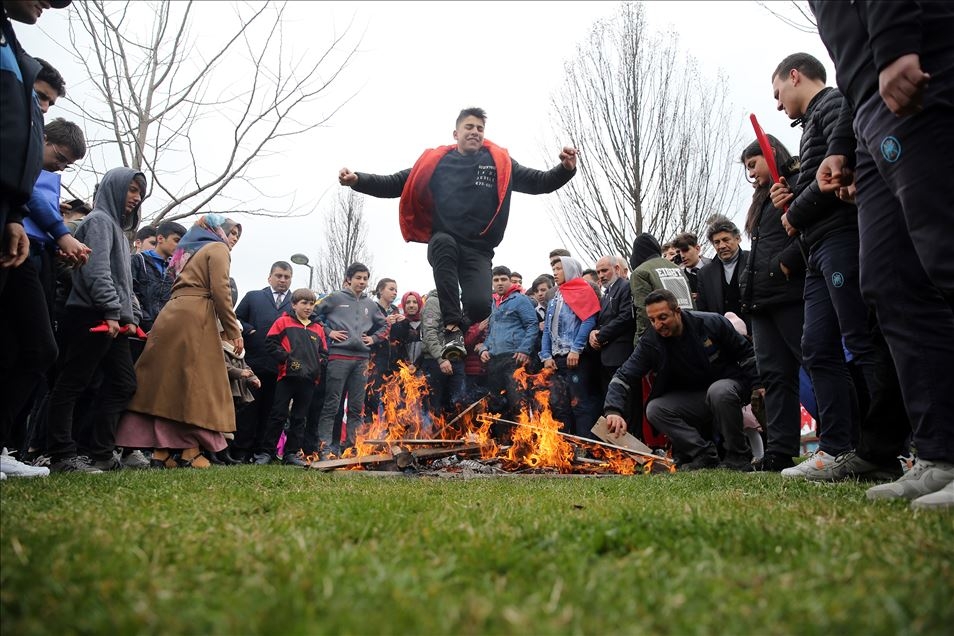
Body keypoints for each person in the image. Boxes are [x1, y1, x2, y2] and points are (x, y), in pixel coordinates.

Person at [810, 1, 954, 508]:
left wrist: (894, 42)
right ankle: (940, 454)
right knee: (890, 280)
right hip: (868, 106)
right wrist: (845, 144)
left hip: (913, 65)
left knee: (945, 255)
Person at [769, 51, 910, 484]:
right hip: (816, 251)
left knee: (861, 341)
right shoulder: (811, 125)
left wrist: (795, 213)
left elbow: (835, 174)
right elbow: (816, 179)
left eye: (778, 93)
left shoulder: (832, 105)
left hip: (840, 240)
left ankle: (891, 448)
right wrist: (791, 198)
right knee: (817, 347)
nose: (777, 105)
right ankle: (836, 448)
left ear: (795, 77)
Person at [338, 106, 577, 361]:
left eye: (480, 129)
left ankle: (457, 328)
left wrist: (565, 169)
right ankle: (452, 328)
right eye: (469, 127)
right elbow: (396, 182)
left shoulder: (498, 163)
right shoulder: (437, 162)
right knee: (442, 242)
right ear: (456, 133)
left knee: (480, 305)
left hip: (479, 249)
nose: (475, 132)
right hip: (445, 241)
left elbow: (539, 182)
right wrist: (358, 180)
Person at [0, 0, 73, 479]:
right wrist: (62, 232)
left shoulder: (12, 45)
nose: (41, 108)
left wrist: (10, 213)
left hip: (14, 230)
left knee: (35, 348)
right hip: (20, 234)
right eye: (39, 98)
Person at [115, 214, 244, 469]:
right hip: (196, 317)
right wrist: (232, 329)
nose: (233, 240)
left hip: (171, 314)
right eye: (231, 233)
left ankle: (162, 452)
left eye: (237, 237)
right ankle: (190, 451)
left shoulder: (187, 252)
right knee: (198, 386)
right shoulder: (216, 248)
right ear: (217, 230)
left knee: (168, 384)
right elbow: (221, 290)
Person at [45, 168, 146, 473]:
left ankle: (99, 451)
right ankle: (60, 454)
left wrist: (129, 315)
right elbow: (96, 272)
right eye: (130, 189)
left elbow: (122, 281)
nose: (136, 198)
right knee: (72, 383)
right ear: (114, 188)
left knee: (122, 383)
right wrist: (113, 312)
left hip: (113, 319)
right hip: (93, 315)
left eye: (139, 192)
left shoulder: (115, 226)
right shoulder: (98, 221)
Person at [604, 289, 759, 471]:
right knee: (655, 409)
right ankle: (702, 454)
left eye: (663, 317)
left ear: (677, 311)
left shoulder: (711, 323)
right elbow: (624, 375)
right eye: (652, 320)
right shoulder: (650, 342)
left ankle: (738, 456)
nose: (657, 325)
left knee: (719, 391)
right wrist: (613, 410)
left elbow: (746, 353)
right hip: (694, 398)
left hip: (727, 386)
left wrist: (758, 385)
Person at [738, 135, 807, 472]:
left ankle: (846, 439)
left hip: (790, 293)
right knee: (775, 376)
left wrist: (788, 260)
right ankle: (780, 449)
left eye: (754, 163)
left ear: (772, 154)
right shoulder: (761, 199)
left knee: (816, 363)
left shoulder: (793, 184)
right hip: (761, 300)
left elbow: (809, 227)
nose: (751, 173)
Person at [313, 262, 387, 457]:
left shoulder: (371, 304)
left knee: (356, 407)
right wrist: (329, 331)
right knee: (332, 404)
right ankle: (325, 447)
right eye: (358, 278)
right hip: (338, 356)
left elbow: (384, 325)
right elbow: (312, 313)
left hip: (362, 360)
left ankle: (352, 448)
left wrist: (373, 338)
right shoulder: (335, 298)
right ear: (349, 279)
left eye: (365, 279)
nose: (362, 282)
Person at [233, 261, 293, 462]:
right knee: (249, 408)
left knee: (273, 411)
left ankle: (264, 451)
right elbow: (236, 318)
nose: (282, 280)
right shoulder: (254, 296)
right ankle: (242, 450)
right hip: (255, 363)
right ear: (269, 277)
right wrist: (249, 330)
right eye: (279, 276)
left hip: (281, 367)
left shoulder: (296, 302)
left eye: (286, 277)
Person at [261, 288, 328, 466]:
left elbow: (324, 353)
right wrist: (287, 360)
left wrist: (316, 365)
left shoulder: (318, 328)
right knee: (278, 414)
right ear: (294, 304)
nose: (308, 307)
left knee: (300, 417)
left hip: (309, 380)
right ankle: (267, 452)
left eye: (311, 303)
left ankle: (291, 454)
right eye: (304, 303)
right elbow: (270, 343)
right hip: (287, 376)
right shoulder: (283, 322)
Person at [540, 256, 601, 439]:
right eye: (554, 269)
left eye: (559, 268)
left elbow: (589, 319)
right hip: (556, 360)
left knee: (580, 402)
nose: (555, 272)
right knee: (559, 404)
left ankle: (585, 444)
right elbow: (547, 331)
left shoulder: (583, 289)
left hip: (576, 358)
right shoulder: (555, 297)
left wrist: (576, 348)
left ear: (569, 269)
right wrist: (546, 356)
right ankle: (564, 446)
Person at [477, 265, 537, 440]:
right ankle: (501, 442)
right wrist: (484, 348)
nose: (500, 283)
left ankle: (524, 441)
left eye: (503, 279)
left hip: (514, 359)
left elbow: (532, 325)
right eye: (496, 280)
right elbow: (491, 332)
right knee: (495, 402)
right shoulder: (495, 304)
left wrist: (524, 350)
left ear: (510, 281)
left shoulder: (520, 300)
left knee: (518, 401)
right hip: (494, 360)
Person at [130, 220, 186, 332]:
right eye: (176, 241)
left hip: (163, 332)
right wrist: (146, 323)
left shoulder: (176, 271)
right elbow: (130, 293)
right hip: (136, 328)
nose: (179, 246)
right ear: (160, 239)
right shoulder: (138, 260)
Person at [696, 216, 748, 324]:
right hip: (722, 336)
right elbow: (702, 309)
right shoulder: (705, 273)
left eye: (726, 240)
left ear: (738, 238)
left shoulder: (753, 261)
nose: (722, 246)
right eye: (717, 242)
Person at [365, 277, 403, 425]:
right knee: (372, 400)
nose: (394, 293)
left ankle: (390, 437)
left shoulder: (395, 310)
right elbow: (367, 332)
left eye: (396, 290)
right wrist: (386, 322)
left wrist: (401, 323)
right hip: (375, 362)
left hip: (393, 364)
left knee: (392, 402)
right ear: (381, 290)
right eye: (391, 289)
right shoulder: (372, 308)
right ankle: (368, 437)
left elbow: (400, 338)